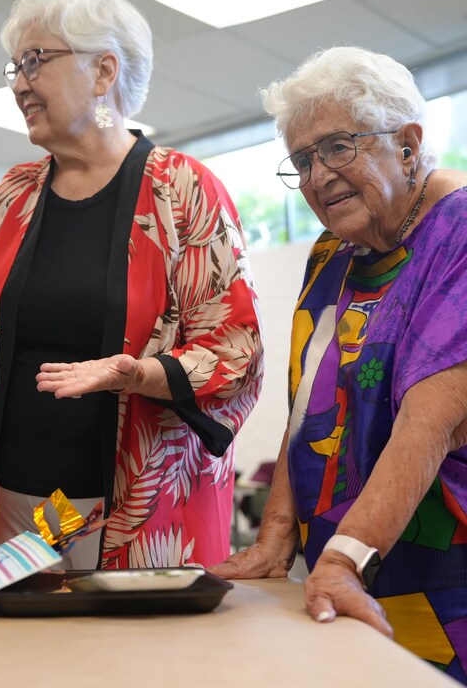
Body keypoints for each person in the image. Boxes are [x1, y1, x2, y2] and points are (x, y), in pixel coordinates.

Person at [0, 0, 263, 570]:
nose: (19, 84)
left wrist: (135, 374)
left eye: (35, 61)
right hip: (9, 509)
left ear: (104, 72)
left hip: (139, 514)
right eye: (13, 67)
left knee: (128, 665)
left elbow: (236, 348)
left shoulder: (184, 189)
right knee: (17, 663)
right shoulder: (7, 198)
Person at [212, 46, 467, 682]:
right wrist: (276, 537)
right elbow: (309, 407)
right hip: (342, 573)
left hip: (447, 578)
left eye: (336, 147)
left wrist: (345, 560)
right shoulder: (333, 254)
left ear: (408, 143)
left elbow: (432, 419)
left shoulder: (459, 230)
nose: (316, 176)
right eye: (301, 159)